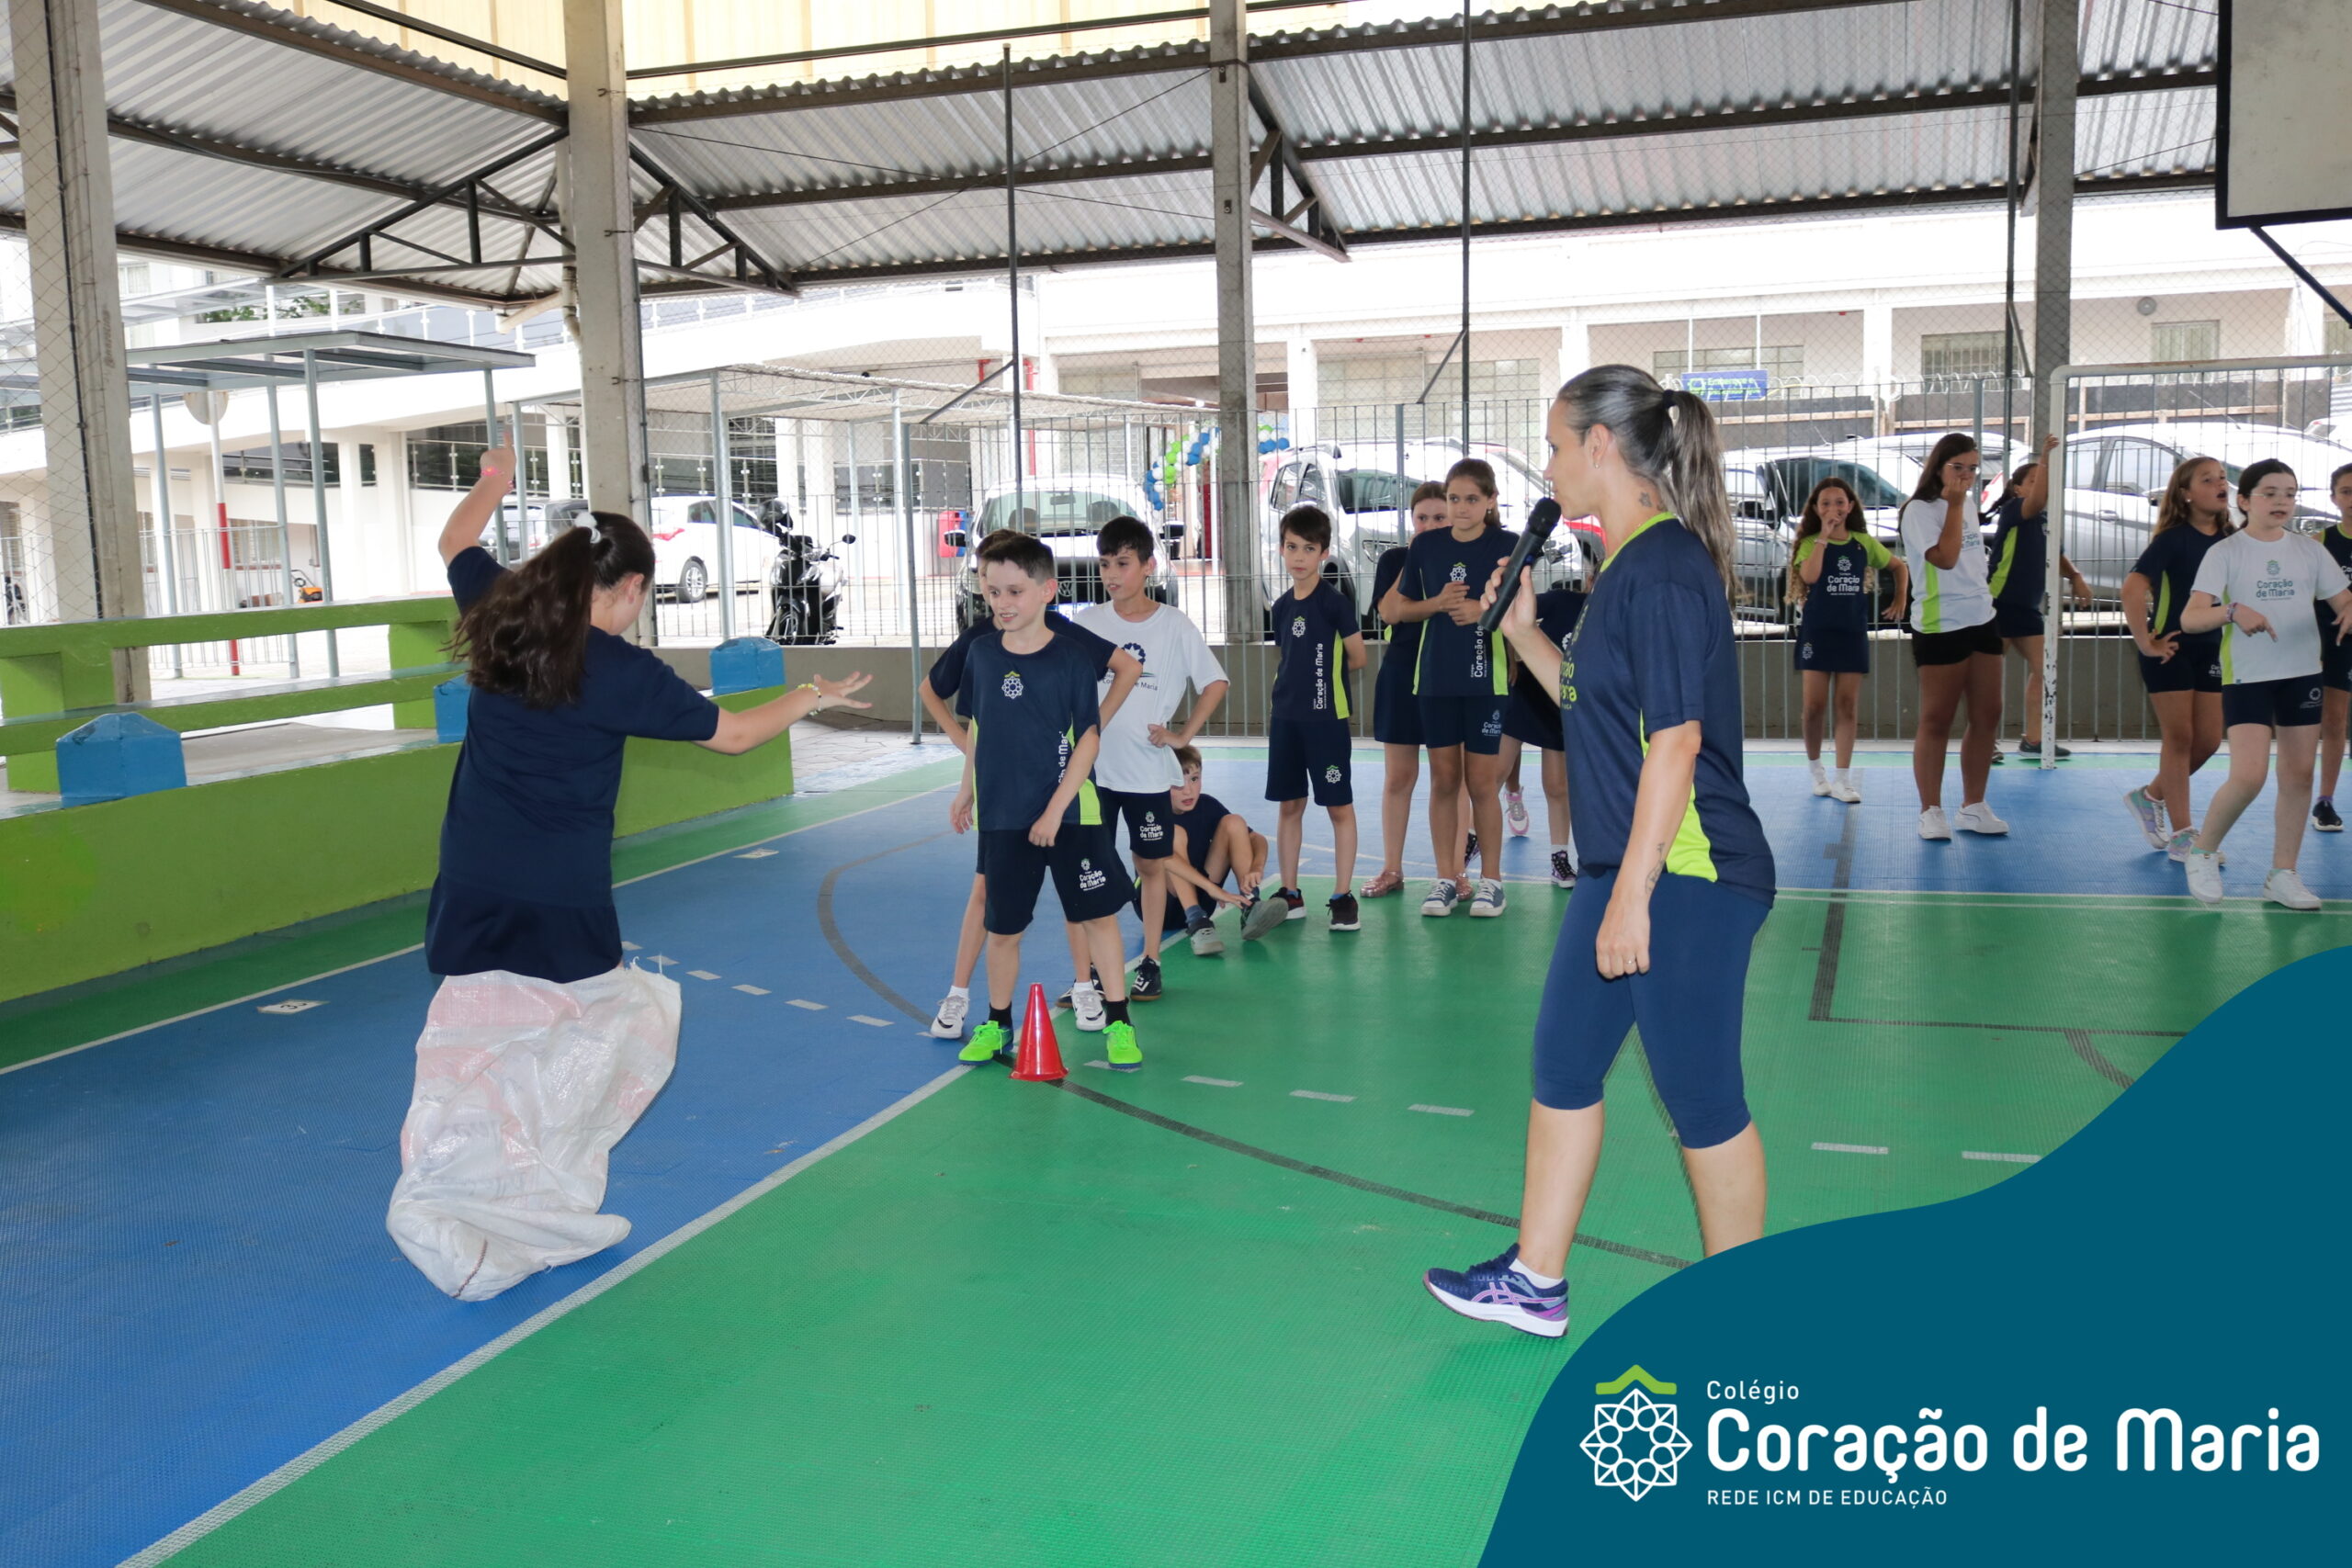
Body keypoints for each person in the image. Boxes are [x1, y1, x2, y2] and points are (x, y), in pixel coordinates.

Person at [1423, 366, 1775, 1338]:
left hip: (1687, 873)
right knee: (1565, 1062)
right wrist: (1525, 635)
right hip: (1629, 867)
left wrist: (1632, 897)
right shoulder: (1623, 568)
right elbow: (1599, 709)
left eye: (1552, 445)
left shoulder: (1661, 570)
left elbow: (1676, 743)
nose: (1545, 467)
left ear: (1600, 447)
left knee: (1699, 1093)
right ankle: (1535, 1280)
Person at [427, 447, 871, 986]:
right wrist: (812, 694)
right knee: (590, 1021)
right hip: (559, 886)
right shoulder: (623, 670)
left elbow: (455, 541)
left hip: (469, 870)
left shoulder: (502, 613)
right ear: (632, 585)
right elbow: (734, 734)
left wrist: (497, 475)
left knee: (481, 1018)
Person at [919, 565, 1139, 1040]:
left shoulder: (1070, 650)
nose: (1002, 600)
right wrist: (968, 783)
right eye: (992, 589)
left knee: (1091, 911)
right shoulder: (981, 650)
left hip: (1069, 808)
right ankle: (985, 1014)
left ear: (1045, 591)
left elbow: (1095, 725)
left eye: (1014, 590)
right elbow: (978, 725)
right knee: (999, 918)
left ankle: (1107, 1008)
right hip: (1005, 811)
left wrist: (1085, 733)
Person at [2177, 459, 2352, 909]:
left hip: (2303, 673)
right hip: (2248, 676)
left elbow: (2343, 600)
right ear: (2244, 500)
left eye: (2289, 494)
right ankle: (2202, 852)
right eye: (2270, 493)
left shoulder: (2311, 551)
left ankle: (2282, 875)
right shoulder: (2225, 553)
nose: (2281, 501)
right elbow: (2191, 618)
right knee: (2249, 775)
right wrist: (2233, 611)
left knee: (2299, 775)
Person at [1074, 515, 1229, 1001]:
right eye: (1104, 564)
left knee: (1151, 864)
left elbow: (1215, 682)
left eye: (1122, 563)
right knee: (1089, 869)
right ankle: (1089, 976)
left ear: (1148, 566)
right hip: (1094, 770)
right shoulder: (1087, 624)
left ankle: (1151, 962)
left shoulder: (1173, 625)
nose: (1111, 574)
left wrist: (1183, 735)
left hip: (1145, 772)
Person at [1381, 458, 1520, 917]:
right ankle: (1445, 877)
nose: (1461, 508)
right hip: (1435, 679)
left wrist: (1483, 612)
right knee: (1444, 779)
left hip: (1485, 680)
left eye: (1472, 499)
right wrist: (1437, 603)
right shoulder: (1426, 547)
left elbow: (1521, 607)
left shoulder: (1508, 546)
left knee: (1481, 782)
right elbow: (1398, 608)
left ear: (1491, 501)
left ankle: (1492, 881)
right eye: (1455, 499)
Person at [2120, 456, 2233, 859]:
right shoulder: (2173, 539)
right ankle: (2184, 834)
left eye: (2223, 478)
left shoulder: (2232, 540)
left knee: (2207, 741)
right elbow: (2132, 588)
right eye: (2208, 480)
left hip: (2212, 649)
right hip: (2171, 649)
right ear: (2186, 494)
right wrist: (2145, 642)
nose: (2220, 484)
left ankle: (2150, 796)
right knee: (2180, 737)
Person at [1262, 504, 1368, 932]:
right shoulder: (1280, 607)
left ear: (1324, 553)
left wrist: (1323, 683)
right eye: (1292, 547)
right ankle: (1290, 893)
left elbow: (1358, 657)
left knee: (1338, 806)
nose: (1299, 556)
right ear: (1281, 549)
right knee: (1290, 805)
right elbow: (1287, 658)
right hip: (1286, 721)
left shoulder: (1335, 604)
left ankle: (1343, 896)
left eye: (1309, 548)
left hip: (1326, 722)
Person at [1903, 432, 2006, 840]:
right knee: (1937, 718)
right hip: (1940, 623)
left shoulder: (1967, 507)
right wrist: (1957, 505)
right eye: (1958, 467)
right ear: (1939, 467)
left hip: (1981, 617)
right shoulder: (1919, 510)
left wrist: (1961, 505)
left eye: (1972, 468)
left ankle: (1973, 806)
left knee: (1988, 713)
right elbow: (1945, 559)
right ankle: (1930, 810)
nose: (1966, 475)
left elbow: (1971, 560)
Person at [1785, 476, 1906, 803]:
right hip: (1817, 633)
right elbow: (1810, 576)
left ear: (1850, 506)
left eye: (1840, 502)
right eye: (1825, 503)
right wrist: (1824, 538)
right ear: (1816, 509)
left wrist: (1900, 599)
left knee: (1847, 704)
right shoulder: (1810, 543)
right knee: (1814, 706)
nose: (1833, 508)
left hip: (1851, 633)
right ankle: (1817, 772)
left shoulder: (1863, 543)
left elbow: (1899, 567)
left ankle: (1843, 779)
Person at [1364, 480, 1455, 897]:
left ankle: (1452, 873)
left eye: (1439, 517)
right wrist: (1415, 559)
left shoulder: (1462, 561)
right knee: (1399, 777)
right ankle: (1392, 868)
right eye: (1422, 518)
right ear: (1411, 521)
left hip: (1448, 676)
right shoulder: (1395, 559)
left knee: (1449, 779)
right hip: (1402, 674)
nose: (1430, 525)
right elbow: (1387, 612)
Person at [1985, 436, 2091, 761]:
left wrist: (2075, 577)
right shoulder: (2015, 510)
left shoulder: (2046, 520)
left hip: (2027, 608)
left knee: (2046, 667)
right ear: (2017, 489)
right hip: (1999, 602)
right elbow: (2038, 498)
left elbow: (2056, 554)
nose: (2040, 485)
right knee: (1989, 676)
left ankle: (2034, 738)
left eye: (2041, 479)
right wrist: (2045, 458)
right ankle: (1984, 742)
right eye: (2031, 481)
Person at [1497, 584, 1585, 886]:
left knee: (1558, 787)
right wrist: (1511, 657)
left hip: (1561, 703)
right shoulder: (1563, 601)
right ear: (1591, 580)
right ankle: (1467, 850)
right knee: (1494, 773)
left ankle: (1559, 859)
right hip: (1527, 693)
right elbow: (1513, 612)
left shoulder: (1613, 613)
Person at [1145, 744, 1270, 953]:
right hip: (1163, 905)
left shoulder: (1207, 805)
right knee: (1174, 834)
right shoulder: (1152, 813)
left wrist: (1257, 867)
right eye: (1177, 783)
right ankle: (1196, 920)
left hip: (1205, 897)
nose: (1188, 790)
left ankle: (1251, 906)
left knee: (1234, 822)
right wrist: (1213, 888)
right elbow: (1166, 858)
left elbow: (1257, 839)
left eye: (1194, 779)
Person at [2312, 463, 2352, 831]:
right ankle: (2325, 801)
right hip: (2336, 644)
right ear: (2334, 498)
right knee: (2334, 721)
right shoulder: (2320, 544)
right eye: (2347, 492)